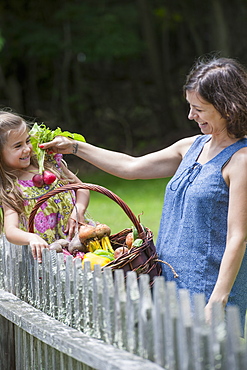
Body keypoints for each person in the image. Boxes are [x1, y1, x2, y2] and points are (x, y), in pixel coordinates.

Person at [40, 56, 247, 335]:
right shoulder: (191, 147)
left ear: (227, 109)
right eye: (190, 107)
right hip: (167, 279)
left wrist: (218, 299)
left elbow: (238, 236)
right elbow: (130, 167)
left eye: (199, 109)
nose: (191, 116)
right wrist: (75, 147)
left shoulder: (240, 161)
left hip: (207, 288)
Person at [0, 111, 90, 263]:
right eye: (18, 146)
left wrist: (78, 210)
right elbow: (10, 231)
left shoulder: (51, 165)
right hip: (49, 255)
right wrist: (31, 237)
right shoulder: (10, 188)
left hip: (80, 241)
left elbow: (82, 188)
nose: (27, 149)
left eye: (27, 141)